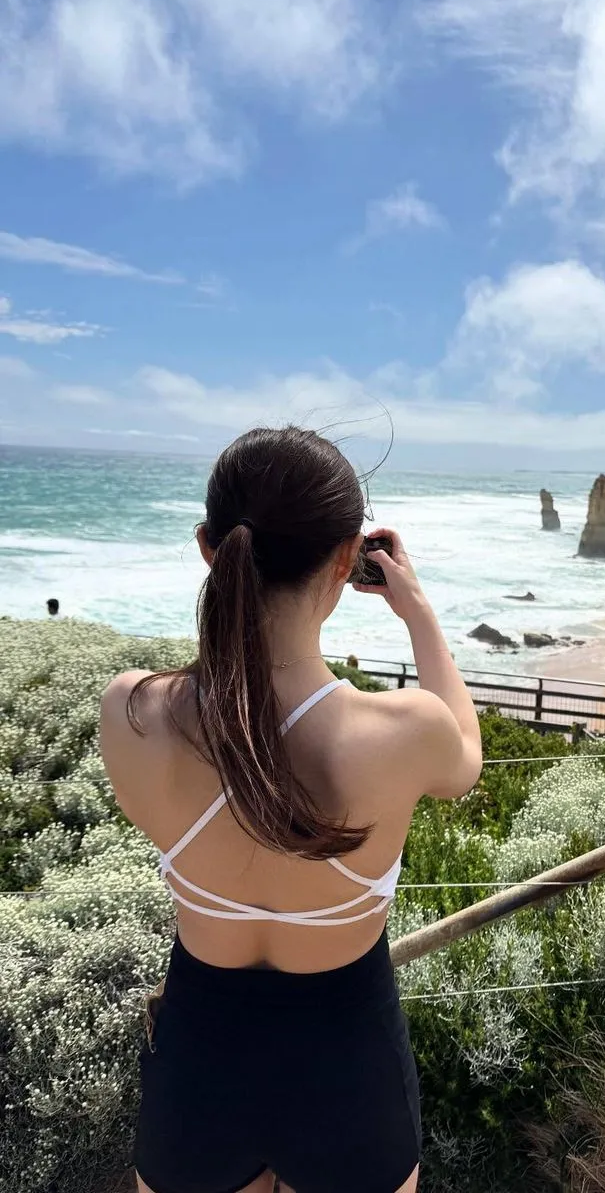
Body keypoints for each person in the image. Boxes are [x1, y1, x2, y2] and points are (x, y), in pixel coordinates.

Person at [99, 426, 483, 1193]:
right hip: (346, 1052)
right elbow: (464, 759)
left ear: (209, 548)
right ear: (347, 558)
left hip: (201, 1049)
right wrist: (415, 611)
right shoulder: (404, 731)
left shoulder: (132, 711)